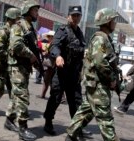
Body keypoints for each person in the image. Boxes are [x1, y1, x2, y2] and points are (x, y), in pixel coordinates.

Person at [65, 8, 120, 141]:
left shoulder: (104, 38)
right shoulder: (100, 39)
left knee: (85, 112)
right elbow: (100, 62)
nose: (115, 23)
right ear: (107, 21)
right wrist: (112, 79)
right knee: (105, 119)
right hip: (99, 84)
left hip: (95, 83)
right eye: (113, 20)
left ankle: (71, 135)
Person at [43, 5, 90, 136]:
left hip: (74, 75)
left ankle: (76, 126)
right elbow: (54, 46)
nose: (75, 18)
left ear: (80, 17)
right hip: (62, 72)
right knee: (56, 98)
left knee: (76, 101)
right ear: (68, 16)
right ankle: (48, 122)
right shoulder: (63, 30)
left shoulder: (80, 33)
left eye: (78, 15)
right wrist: (58, 56)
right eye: (73, 15)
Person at [5, 0, 40, 140]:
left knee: (16, 96)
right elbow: (17, 45)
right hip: (17, 67)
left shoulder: (30, 27)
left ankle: (9, 120)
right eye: (35, 10)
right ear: (27, 11)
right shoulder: (18, 26)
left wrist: (36, 62)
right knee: (23, 97)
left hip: (24, 68)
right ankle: (23, 129)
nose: (37, 13)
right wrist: (31, 55)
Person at [0, 8, 21, 117]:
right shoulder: (3, 31)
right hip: (1, 64)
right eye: (18, 18)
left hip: (10, 65)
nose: (19, 21)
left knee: (13, 88)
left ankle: (13, 111)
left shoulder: (14, 30)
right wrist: (10, 54)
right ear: (12, 18)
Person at [37, 30, 55, 99]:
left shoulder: (53, 44)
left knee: (48, 80)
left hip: (51, 64)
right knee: (47, 80)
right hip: (51, 64)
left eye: (49, 36)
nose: (48, 38)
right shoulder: (52, 43)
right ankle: (43, 94)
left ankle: (61, 98)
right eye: (48, 36)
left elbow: (52, 53)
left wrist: (46, 53)